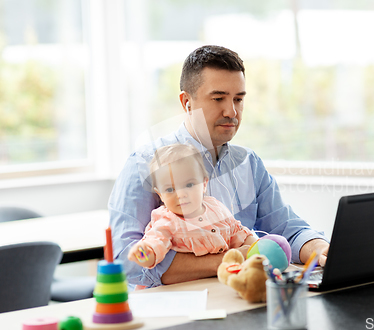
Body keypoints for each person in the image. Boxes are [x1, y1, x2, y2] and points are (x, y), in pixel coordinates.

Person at [109, 45, 330, 289]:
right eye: (218, 99)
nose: (231, 111)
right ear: (187, 103)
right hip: (176, 312)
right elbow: (127, 262)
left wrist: (321, 249)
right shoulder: (144, 163)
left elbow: (288, 229)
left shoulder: (249, 162)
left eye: (238, 99)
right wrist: (232, 261)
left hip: (241, 300)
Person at [127, 143, 258, 271]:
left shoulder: (216, 208)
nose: (180, 194)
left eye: (189, 185)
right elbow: (156, 243)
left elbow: (238, 233)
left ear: (204, 184)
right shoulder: (166, 221)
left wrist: (257, 247)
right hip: (187, 289)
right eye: (170, 189)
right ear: (160, 195)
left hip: (220, 283)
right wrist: (143, 254)